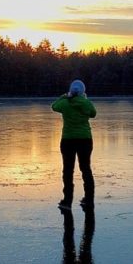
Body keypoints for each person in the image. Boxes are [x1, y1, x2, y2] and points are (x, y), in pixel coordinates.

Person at [51, 79, 96, 209]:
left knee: (68, 170)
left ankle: (67, 201)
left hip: (68, 140)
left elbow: (54, 106)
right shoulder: (86, 103)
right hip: (85, 139)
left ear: (71, 90)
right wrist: (84, 100)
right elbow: (93, 114)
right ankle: (89, 199)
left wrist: (65, 96)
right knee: (86, 169)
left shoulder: (65, 103)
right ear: (83, 91)